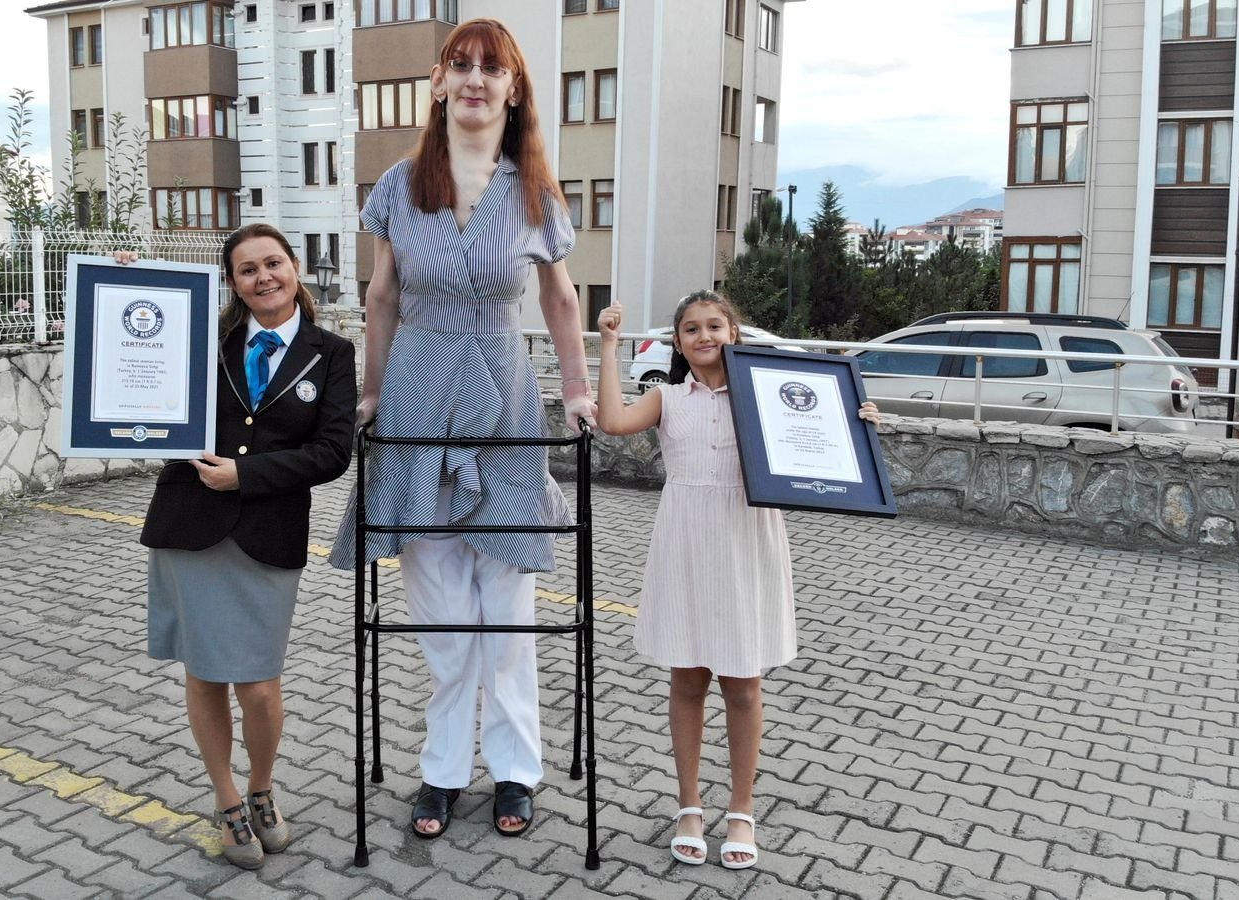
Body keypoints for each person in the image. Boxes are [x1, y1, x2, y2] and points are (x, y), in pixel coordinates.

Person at [327, 18, 595, 840]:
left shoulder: (535, 192)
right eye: (461, 66)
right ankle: (442, 772)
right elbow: (379, 300)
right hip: (415, 394)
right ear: (439, 82)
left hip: (504, 396)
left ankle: (514, 772)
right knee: (442, 614)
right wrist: (370, 396)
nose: (476, 80)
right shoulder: (398, 187)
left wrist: (579, 391)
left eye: (493, 69)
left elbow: (558, 301)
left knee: (508, 613)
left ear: (513, 90)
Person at [594, 292, 879, 869]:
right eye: (692, 329)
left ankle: (743, 809)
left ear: (734, 332)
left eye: (715, 326)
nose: (705, 336)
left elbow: (818, 436)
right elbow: (612, 421)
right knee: (688, 677)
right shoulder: (668, 398)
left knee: (744, 683)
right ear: (678, 343)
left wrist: (858, 421)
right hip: (686, 540)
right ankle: (690, 806)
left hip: (746, 539)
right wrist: (604, 346)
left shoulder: (765, 397)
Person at [127, 224, 356, 869]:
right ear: (232, 282)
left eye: (273, 264)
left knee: (258, 683)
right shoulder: (206, 343)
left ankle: (261, 788)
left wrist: (246, 475)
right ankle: (227, 800)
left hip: (266, 533)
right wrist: (126, 279)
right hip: (190, 524)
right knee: (204, 673)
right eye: (247, 269)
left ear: (293, 270)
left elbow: (334, 451)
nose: (263, 278)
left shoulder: (331, 353)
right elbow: (139, 350)